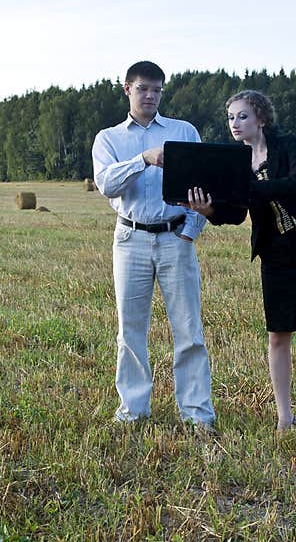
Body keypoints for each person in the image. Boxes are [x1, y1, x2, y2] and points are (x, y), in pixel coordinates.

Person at [185, 90, 296, 431]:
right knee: (277, 336)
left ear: (261, 118)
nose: (235, 124)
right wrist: (208, 209)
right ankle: (285, 416)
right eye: (230, 118)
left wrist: (250, 188)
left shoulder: (288, 145)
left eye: (242, 116)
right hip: (275, 254)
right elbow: (236, 214)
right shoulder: (234, 163)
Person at [91, 61, 216, 431]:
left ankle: (197, 414)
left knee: (189, 329)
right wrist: (143, 159)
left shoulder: (184, 131)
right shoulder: (109, 139)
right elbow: (106, 184)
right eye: (143, 88)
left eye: (157, 90)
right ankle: (133, 410)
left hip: (176, 238)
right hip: (130, 239)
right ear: (126, 88)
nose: (151, 96)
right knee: (129, 330)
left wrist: (191, 229)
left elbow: (204, 186)